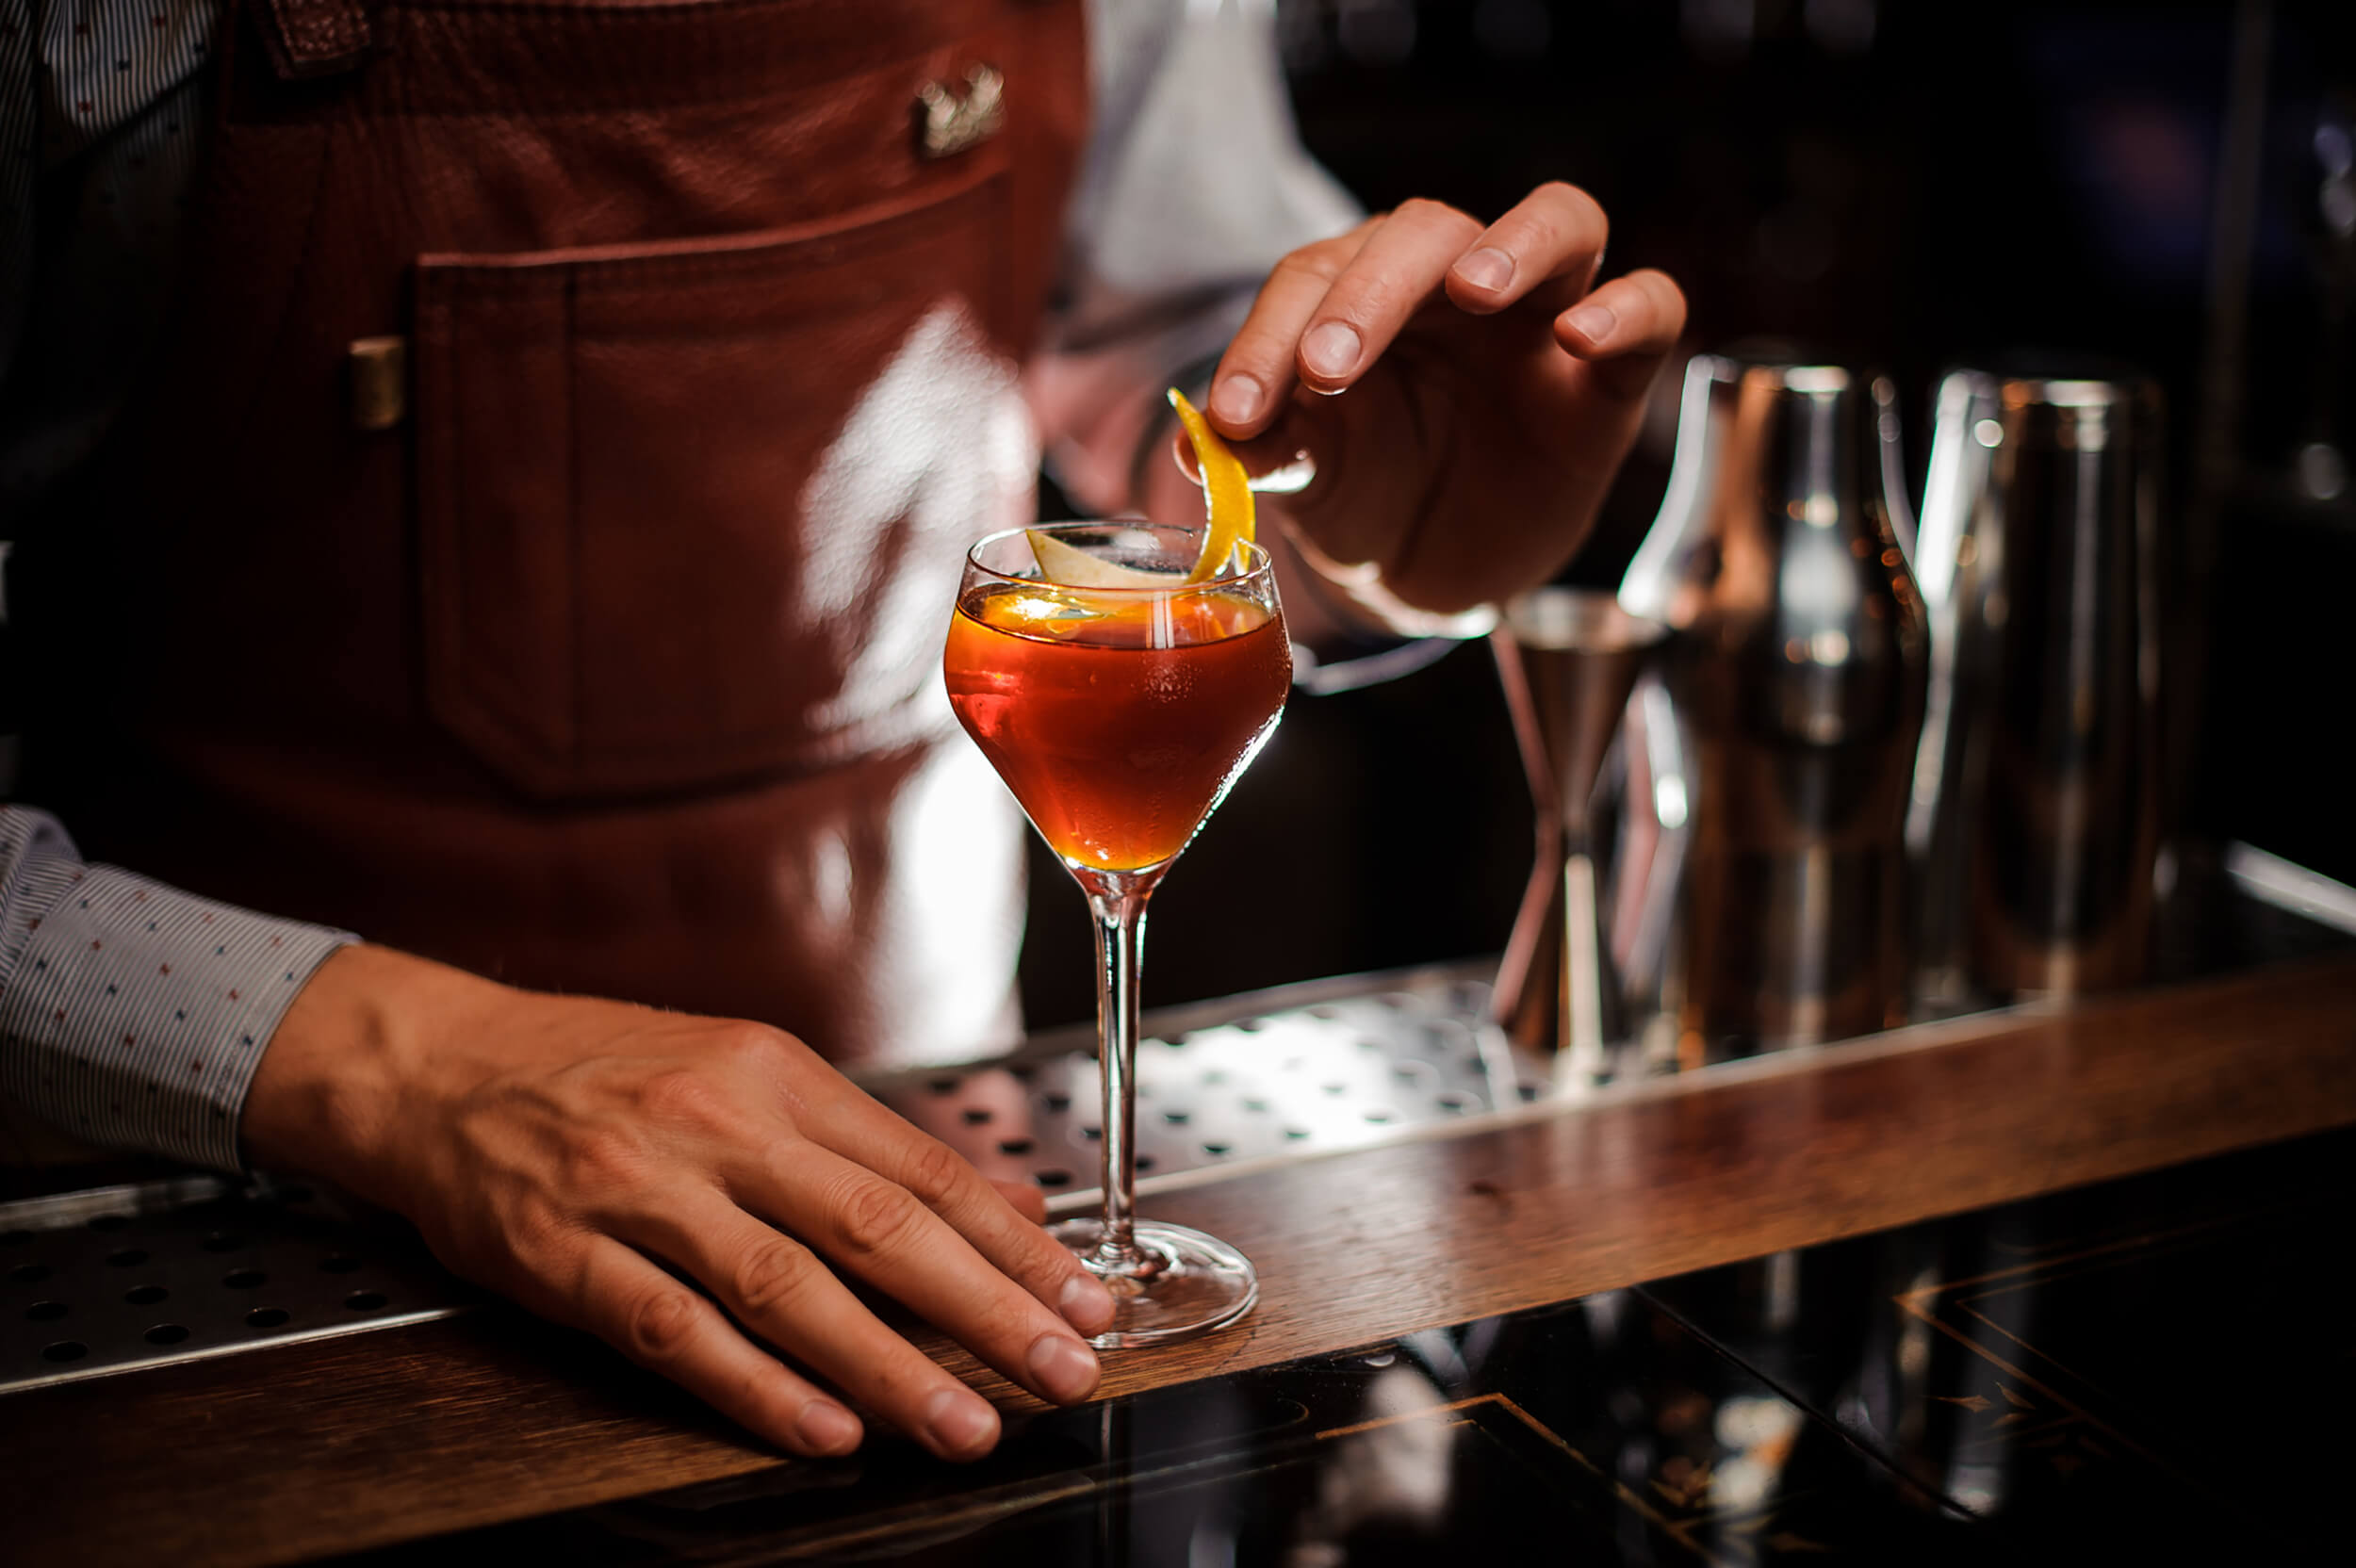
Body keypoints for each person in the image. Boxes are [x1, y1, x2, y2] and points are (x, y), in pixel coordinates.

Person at [0, 0, 1683, 1462]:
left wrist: (1366, 526)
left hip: (929, 1217)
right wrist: (396, 1071)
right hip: (237, 1261)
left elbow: (1175, 387)